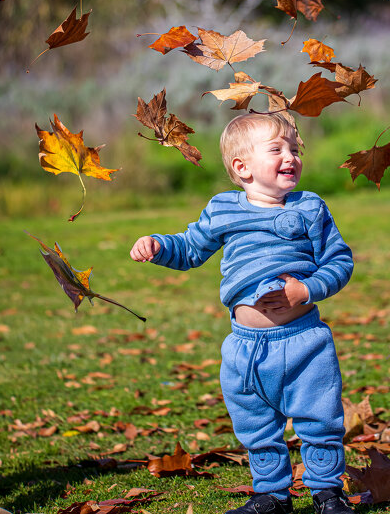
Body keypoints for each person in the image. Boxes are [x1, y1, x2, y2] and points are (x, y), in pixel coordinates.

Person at [130, 112, 354, 514]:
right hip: (244, 349)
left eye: (294, 149)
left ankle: (327, 493)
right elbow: (190, 247)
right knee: (255, 425)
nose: (291, 156)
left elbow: (339, 262)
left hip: (303, 341)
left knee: (320, 419)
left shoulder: (309, 208)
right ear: (242, 166)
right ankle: (272, 496)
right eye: (277, 149)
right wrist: (158, 246)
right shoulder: (222, 210)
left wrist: (305, 289)